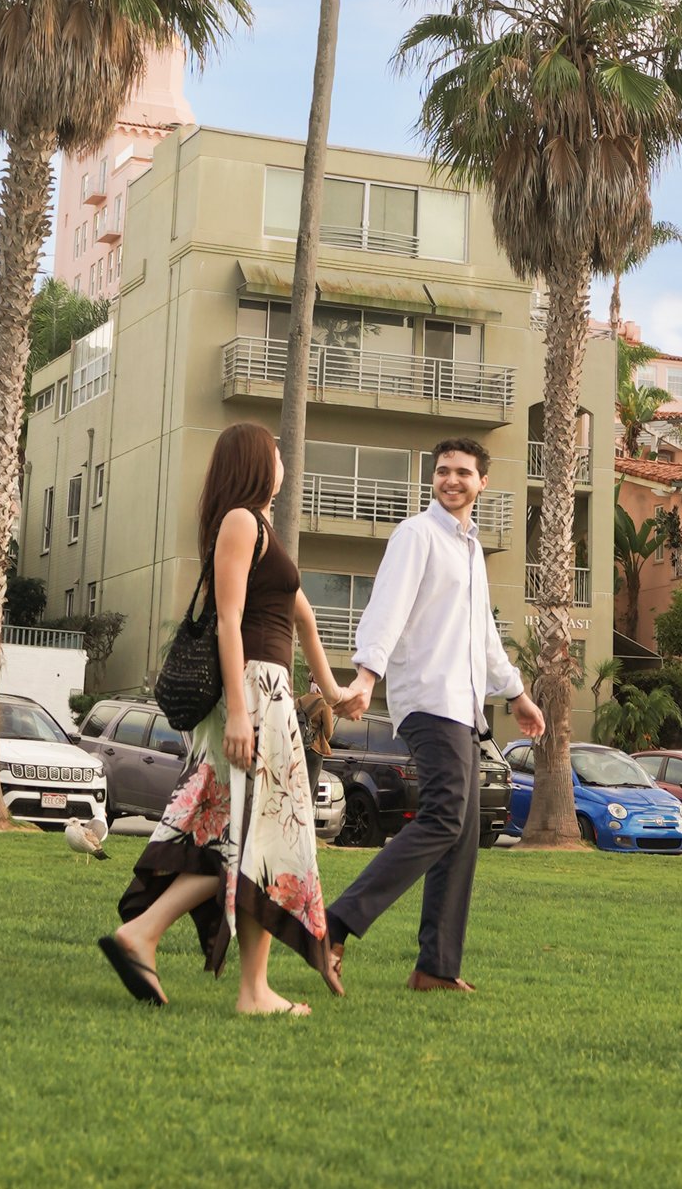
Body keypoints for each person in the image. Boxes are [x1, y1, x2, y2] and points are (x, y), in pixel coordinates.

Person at [101, 422, 347, 1014]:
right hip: (255, 696)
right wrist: (240, 712)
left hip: (272, 694)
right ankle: (231, 979)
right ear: (256, 462)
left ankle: (238, 981)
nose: (284, 459)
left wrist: (335, 692)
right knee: (252, 840)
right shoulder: (240, 522)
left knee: (248, 840)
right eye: (276, 451)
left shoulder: (262, 529)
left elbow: (304, 619)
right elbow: (228, 621)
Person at [324, 434, 545, 995]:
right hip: (428, 700)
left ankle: (435, 968)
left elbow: (484, 635)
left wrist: (516, 693)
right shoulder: (417, 536)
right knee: (445, 817)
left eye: (463, 472)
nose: (451, 480)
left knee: (464, 834)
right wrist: (367, 676)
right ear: (434, 478)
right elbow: (386, 608)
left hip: (466, 708)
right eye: (443, 471)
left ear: (482, 483)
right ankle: (335, 923)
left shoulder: (470, 549)